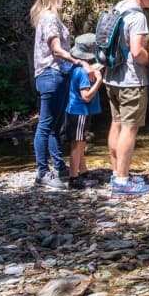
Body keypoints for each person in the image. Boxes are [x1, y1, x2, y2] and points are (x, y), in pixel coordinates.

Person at [103, 0, 149, 198]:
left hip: (111, 77)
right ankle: (122, 182)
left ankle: (117, 173)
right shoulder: (138, 16)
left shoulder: (119, 7)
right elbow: (137, 51)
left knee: (117, 124)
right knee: (129, 128)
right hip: (131, 81)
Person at [30, 0, 91, 190]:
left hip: (53, 75)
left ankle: (59, 167)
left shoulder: (47, 16)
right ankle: (42, 173)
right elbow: (55, 48)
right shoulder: (49, 18)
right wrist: (78, 62)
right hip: (51, 74)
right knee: (46, 125)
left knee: (54, 125)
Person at [64, 33, 103, 190]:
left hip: (73, 110)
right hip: (80, 111)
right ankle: (74, 178)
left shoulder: (76, 67)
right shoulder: (83, 72)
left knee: (80, 143)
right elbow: (86, 96)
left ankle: (83, 172)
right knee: (77, 144)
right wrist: (99, 81)